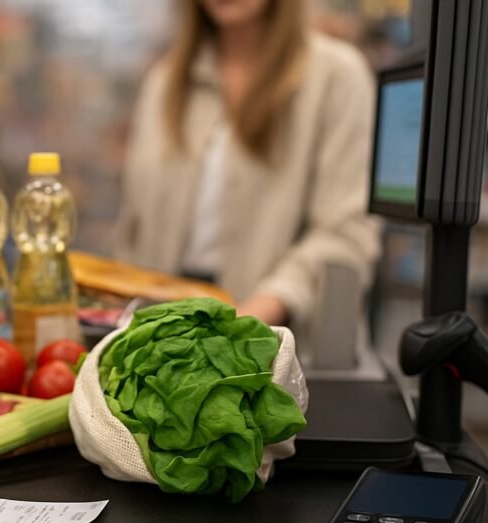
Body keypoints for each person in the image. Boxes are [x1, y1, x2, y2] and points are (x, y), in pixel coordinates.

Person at [115, 0, 381, 339]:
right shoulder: (165, 82)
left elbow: (346, 232)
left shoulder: (336, 76)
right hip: (164, 337)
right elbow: (134, 228)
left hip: (278, 342)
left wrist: (255, 316)